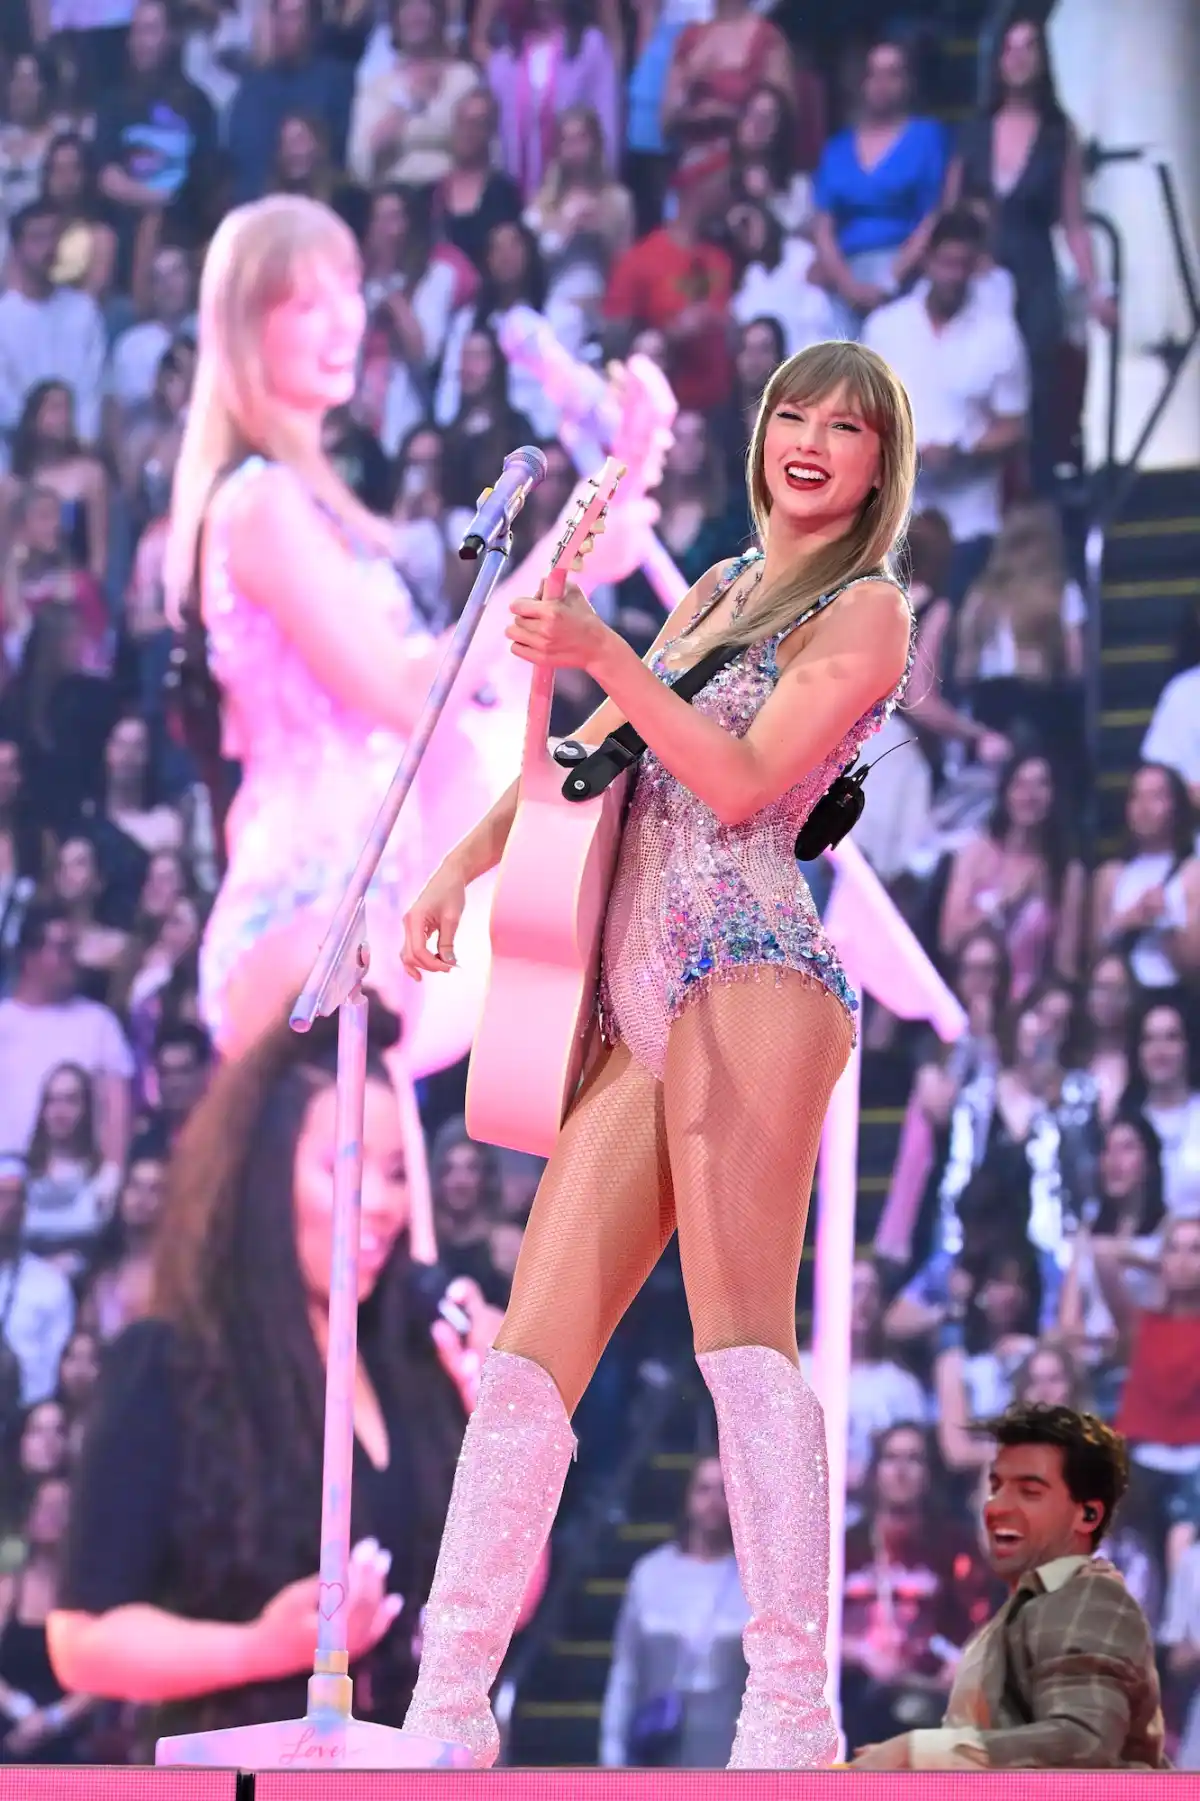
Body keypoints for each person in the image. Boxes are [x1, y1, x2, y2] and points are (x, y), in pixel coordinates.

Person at [397, 338, 917, 1768]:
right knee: (527, 1357)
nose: (810, 438)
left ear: (879, 463)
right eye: (792, 413)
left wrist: (609, 650)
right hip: (633, 997)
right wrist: (460, 866)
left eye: (845, 426)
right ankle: (447, 1702)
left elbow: (740, 779)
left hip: (751, 966)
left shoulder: (869, 609)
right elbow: (591, 757)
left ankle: (791, 1708)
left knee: (740, 1333)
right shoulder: (716, 589)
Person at [162, 192, 661, 1189]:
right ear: (245, 328)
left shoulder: (318, 506)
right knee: (316, 1232)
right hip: (310, 913)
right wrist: (568, 551)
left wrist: (605, 502)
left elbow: (458, 692)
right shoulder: (259, 506)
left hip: (377, 894)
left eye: (349, 290)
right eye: (306, 301)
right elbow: (408, 694)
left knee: (382, 1230)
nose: (343, 320)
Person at [46, 1008, 538, 1741]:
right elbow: (81, 1641)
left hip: (402, 1771)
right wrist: (258, 1648)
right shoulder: (171, 1364)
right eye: (347, 1170)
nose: (383, 1204)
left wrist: (501, 1421)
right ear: (265, 1180)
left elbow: (509, 1603)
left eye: (396, 1175)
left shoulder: (413, 1358)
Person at [850, 1403, 1167, 1770]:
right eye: (998, 1486)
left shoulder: (1093, 1601)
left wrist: (919, 1751)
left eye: (1030, 1491)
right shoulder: (1028, 1600)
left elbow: (1082, 1740)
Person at [599, 1455, 749, 1768]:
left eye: (723, 1490)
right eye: (703, 1489)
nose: (713, 1501)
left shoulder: (752, 1580)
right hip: (660, 1746)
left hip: (727, 1751)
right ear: (687, 1497)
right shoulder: (650, 1573)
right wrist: (612, 1754)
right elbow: (626, 1671)